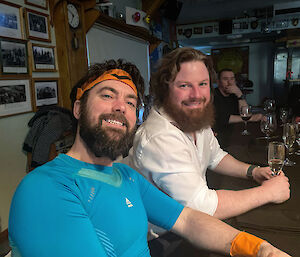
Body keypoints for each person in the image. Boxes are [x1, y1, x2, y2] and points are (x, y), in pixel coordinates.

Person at [8, 59, 290, 257]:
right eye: (108, 95)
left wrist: (257, 248)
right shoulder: (46, 187)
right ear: (79, 108)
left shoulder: (126, 177)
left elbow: (189, 220)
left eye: (130, 102)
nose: (120, 107)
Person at [124, 48, 290, 252]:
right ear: (164, 90)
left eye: (202, 84)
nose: (197, 95)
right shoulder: (159, 138)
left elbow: (215, 156)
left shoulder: (191, 116)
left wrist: (252, 171)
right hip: (160, 239)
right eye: (185, 85)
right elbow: (202, 207)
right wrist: (268, 193)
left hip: (190, 225)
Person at [214, 68, 262, 147]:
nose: (229, 83)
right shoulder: (213, 96)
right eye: (225, 79)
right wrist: (252, 118)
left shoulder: (234, 95)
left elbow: (245, 112)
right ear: (218, 82)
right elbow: (223, 118)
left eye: (232, 79)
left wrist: (239, 94)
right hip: (218, 138)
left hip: (232, 135)